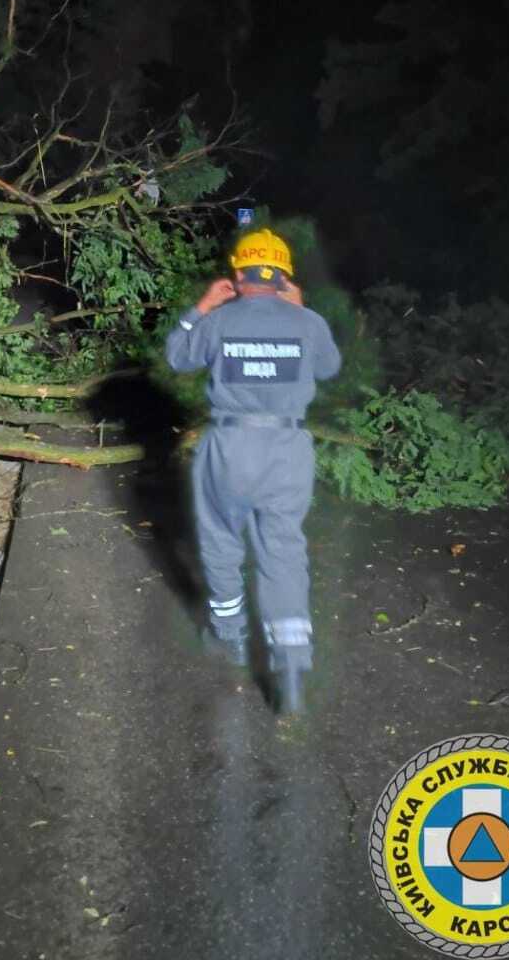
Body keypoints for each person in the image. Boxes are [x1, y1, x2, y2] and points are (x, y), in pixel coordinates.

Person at [164, 229, 341, 713]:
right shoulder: (307, 321)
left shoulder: (219, 321)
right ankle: (290, 663)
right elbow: (328, 369)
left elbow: (177, 356)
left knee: (221, 540)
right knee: (282, 550)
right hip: (288, 449)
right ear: (284, 277)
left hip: (229, 446)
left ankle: (230, 638)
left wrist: (201, 307)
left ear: (239, 275)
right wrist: (303, 311)